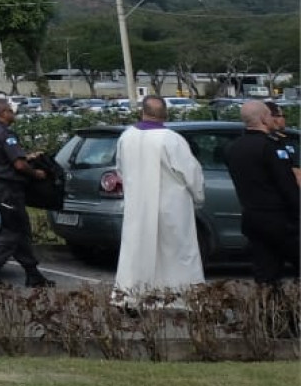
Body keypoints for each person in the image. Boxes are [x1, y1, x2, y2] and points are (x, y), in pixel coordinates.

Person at [111, 96, 205, 300]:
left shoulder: (126, 137)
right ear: (165, 113)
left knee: (136, 252)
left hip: (138, 206)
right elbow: (191, 172)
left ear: (142, 111)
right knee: (178, 253)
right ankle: (181, 298)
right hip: (171, 206)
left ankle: (131, 297)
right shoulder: (172, 139)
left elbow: (120, 169)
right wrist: (198, 196)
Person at [0, 96, 53, 287]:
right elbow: (19, 165)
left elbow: (7, 158)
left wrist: (27, 157)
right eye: (11, 111)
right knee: (12, 230)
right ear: (3, 113)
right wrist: (36, 172)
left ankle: (32, 273)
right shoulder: (6, 134)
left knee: (21, 231)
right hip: (8, 189)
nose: (13, 113)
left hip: (1, 187)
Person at [227, 100, 300, 287]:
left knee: (266, 275)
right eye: (269, 114)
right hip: (280, 220)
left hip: (253, 219)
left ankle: (270, 314)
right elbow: (287, 185)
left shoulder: (234, 148)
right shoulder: (270, 146)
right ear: (263, 118)